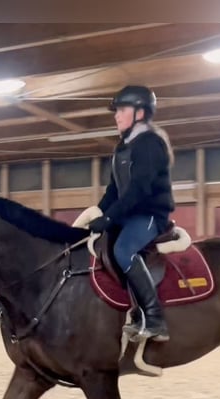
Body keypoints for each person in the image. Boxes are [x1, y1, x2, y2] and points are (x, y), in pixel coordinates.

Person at [86, 85, 175, 343]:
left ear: (140, 113)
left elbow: (139, 189)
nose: (117, 116)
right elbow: (114, 190)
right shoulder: (122, 147)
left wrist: (111, 218)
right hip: (127, 213)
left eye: (122, 110)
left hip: (149, 214)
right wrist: (98, 214)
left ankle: (154, 317)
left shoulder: (150, 144)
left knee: (124, 250)